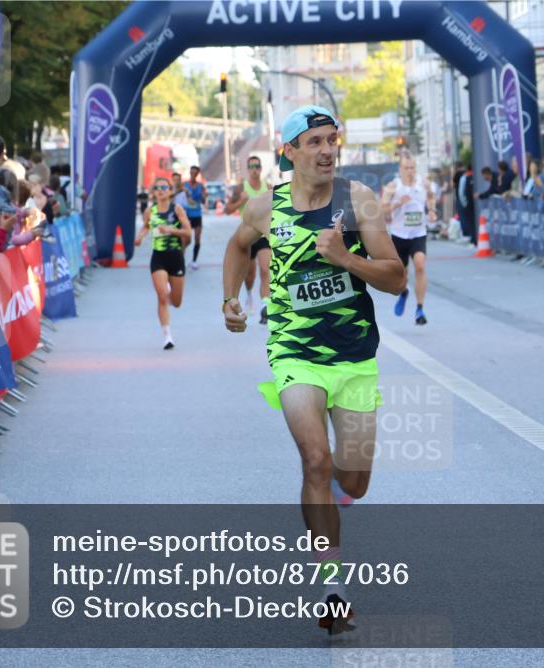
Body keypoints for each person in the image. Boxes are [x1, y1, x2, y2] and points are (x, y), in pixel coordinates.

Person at [222, 105, 405, 634]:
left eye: (333, 140)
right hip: (294, 350)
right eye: (315, 142)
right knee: (316, 460)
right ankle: (331, 584)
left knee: (355, 479)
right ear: (291, 152)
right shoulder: (264, 210)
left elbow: (394, 279)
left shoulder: (359, 201)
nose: (327, 150)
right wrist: (228, 299)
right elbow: (237, 248)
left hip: (353, 356)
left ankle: (336, 499)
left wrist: (346, 258)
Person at [135, 176, 192, 349]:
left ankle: (169, 289)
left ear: (169, 191)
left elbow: (188, 232)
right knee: (161, 297)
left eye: (164, 187)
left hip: (176, 258)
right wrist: (140, 236)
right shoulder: (150, 211)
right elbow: (146, 225)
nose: (160, 190)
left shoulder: (177, 209)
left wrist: (170, 230)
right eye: (157, 187)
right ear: (153, 192)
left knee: (176, 302)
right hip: (158, 257)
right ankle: (167, 336)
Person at [381, 150, 436, 325]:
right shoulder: (393, 186)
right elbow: (382, 210)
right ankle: (404, 292)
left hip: (418, 233)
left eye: (412, 167)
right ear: (400, 168)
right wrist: (398, 203)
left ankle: (420, 309)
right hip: (399, 235)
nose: (410, 171)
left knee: (420, 265)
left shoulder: (424, 184)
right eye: (406, 168)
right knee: (401, 275)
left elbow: (431, 197)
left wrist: (432, 210)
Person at [225, 156, 271, 322]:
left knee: (266, 269)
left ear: (260, 168)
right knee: (250, 275)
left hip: (264, 234)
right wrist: (240, 201)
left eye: (257, 166)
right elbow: (227, 210)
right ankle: (250, 294)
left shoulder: (268, 188)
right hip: (246, 236)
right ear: (247, 169)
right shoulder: (240, 189)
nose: (254, 169)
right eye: (251, 166)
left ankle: (265, 305)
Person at [182, 165, 206, 269]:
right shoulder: (185, 185)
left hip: (197, 214)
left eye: (195, 173)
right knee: (186, 239)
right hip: (186, 215)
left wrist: (204, 197)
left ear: (197, 174)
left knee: (197, 238)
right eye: (192, 172)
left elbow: (204, 201)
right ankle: (181, 260)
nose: (193, 174)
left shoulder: (201, 186)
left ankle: (194, 261)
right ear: (190, 173)